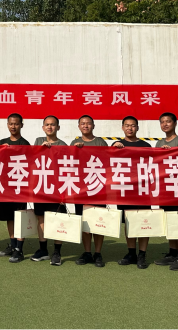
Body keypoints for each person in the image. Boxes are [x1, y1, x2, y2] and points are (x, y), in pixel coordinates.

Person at [111, 116, 152, 269]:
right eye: (127, 125)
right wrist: (113, 148)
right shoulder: (117, 145)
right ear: (122, 128)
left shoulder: (146, 146)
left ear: (137, 128)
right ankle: (131, 253)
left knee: (143, 221)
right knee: (128, 222)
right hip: (125, 190)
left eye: (133, 125)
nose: (130, 128)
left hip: (142, 190)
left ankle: (142, 254)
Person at [70, 114, 108, 268]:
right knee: (85, 222)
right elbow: (68, 163)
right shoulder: (74, 143)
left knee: (99, 221)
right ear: (79, 126)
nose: (85, 126)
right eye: (83, 123)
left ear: (93, 126)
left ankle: (98, 253)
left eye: (88, 123)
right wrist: (75, 150)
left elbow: (108, 161)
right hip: (81, 189)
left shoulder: (100, 142)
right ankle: (87, 252)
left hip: (99, 188)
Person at [153, 112, 178, 271]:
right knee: (169, 221)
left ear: (175, 123)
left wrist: (171, 153)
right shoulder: (159, 142)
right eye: (162, 122)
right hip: (165, 188)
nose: (165, 124)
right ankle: (172, 252)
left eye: (168, 121)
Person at [32, 115, 68, 266]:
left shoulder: (63, 145)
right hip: (41, 186)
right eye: (47, 124)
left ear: (58, 127)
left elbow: (66, 167)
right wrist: (40, 149)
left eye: (53, 124)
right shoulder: (38, 141)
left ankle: (57, 252)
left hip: (57, 188)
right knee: (41, 218)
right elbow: (31, 159)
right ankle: (43, 250)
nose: (49, 127)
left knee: (58, 219)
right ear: (43, 127)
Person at [0, 113, 30, 263]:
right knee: (9, 217)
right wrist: (2, 150)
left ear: (21, 125)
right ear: (7, 125)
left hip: (20, 187)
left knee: (20, 217)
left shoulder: (25, 144)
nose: (13, 126)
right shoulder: (2, 142)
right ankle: (12, 245)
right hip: (6, 187)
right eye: (11, 124)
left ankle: (19, 249)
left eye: (16, 124)